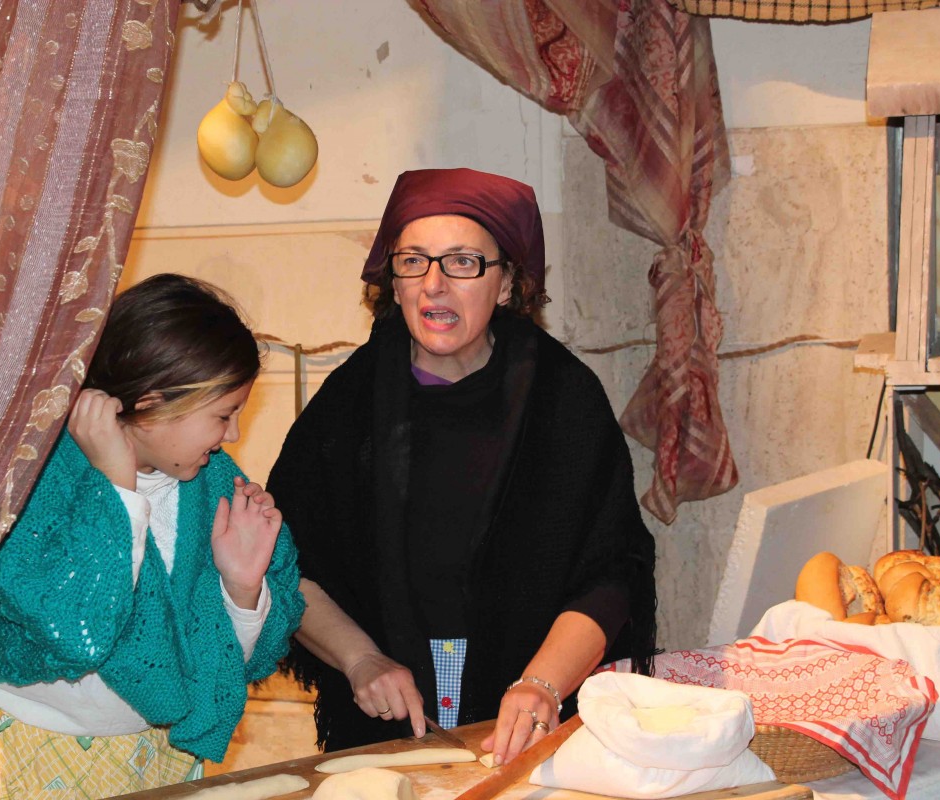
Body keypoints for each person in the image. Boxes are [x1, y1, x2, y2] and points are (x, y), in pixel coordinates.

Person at [267, 168, 657, 767]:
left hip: (539, 717)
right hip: (381, 729)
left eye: (462, 262)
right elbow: (284, 561)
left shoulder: (563, 399)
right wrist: (361, 659)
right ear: (392, 282)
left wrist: (542, 684)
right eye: (413, 261)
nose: (434, 285)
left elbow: (612, 570)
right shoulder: (346, 407)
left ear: (507, 284)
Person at [0, 274, 305, 799]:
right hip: (22, 750)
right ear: (151, 404)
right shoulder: (30, 479)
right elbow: (79, 630)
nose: (234, 435)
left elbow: (233, 664)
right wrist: (115, 488)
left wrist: (242, 590)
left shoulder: (217, 489)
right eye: (224, 415)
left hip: (158, 757)